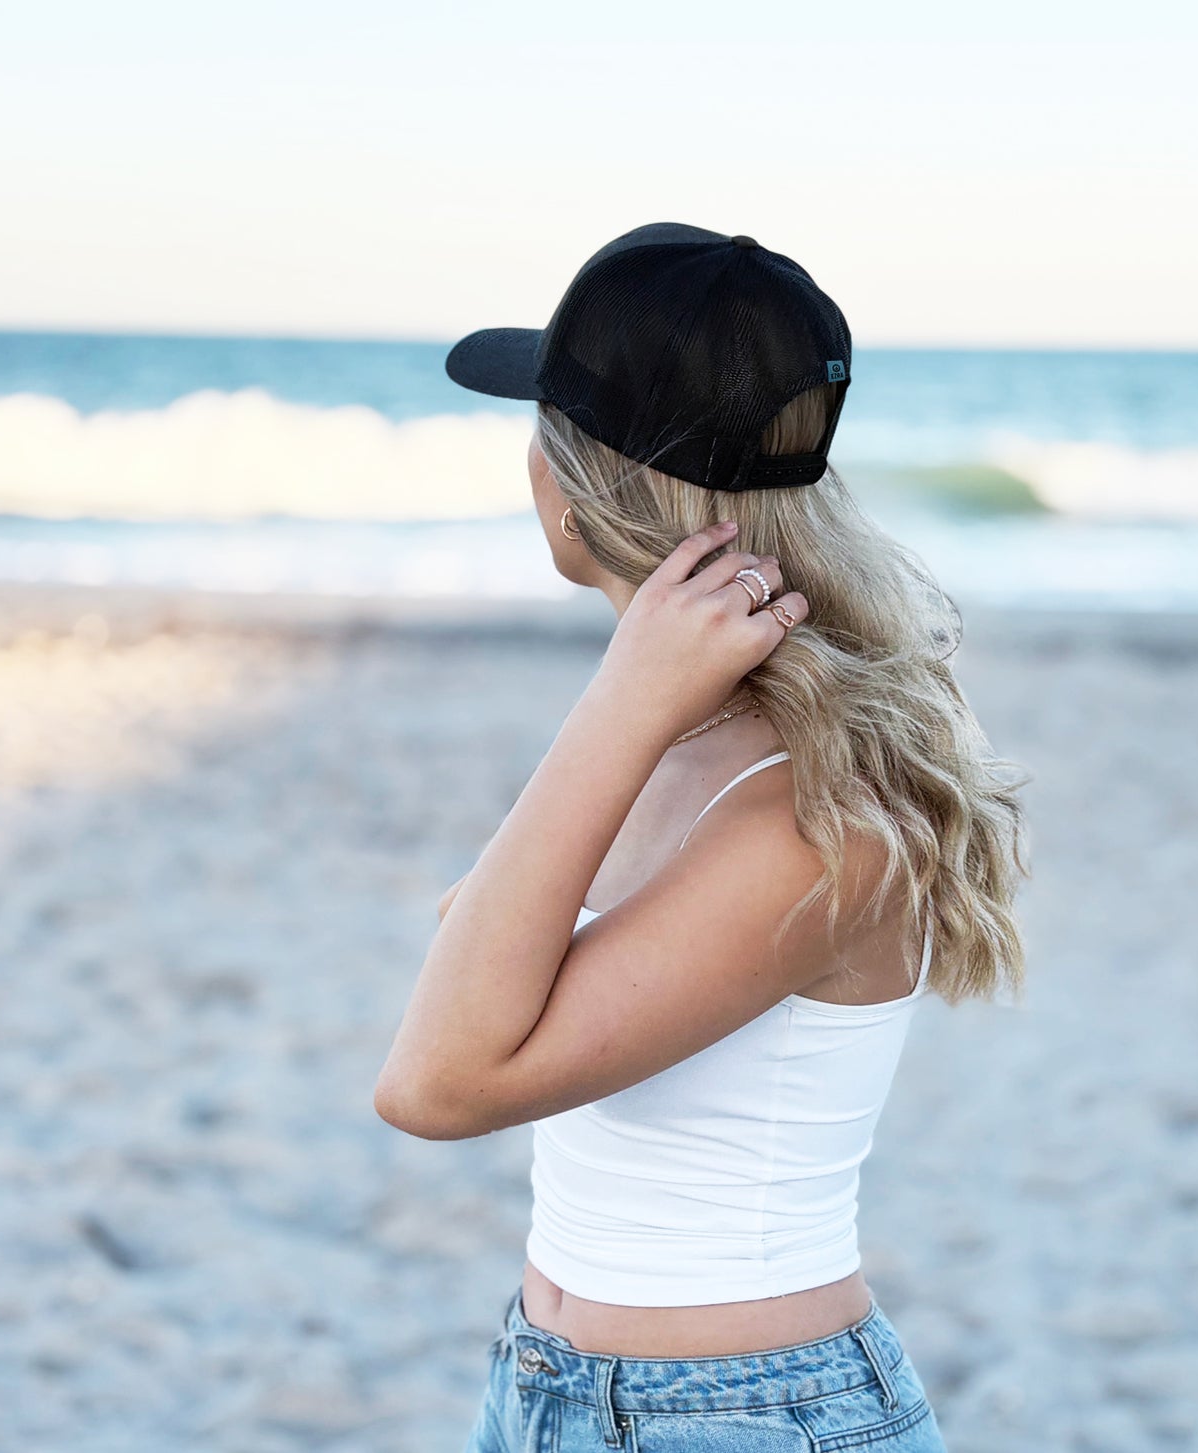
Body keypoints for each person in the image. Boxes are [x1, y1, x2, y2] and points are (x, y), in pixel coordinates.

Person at [374, 222, 1030, 1452]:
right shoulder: (677, 734)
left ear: (572, 490)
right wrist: (633, 704)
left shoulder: (817, 818)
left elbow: (436, 1080)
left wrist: (620, 701)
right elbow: (474, 942)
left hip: (742, 1414)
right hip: (551, 1384)